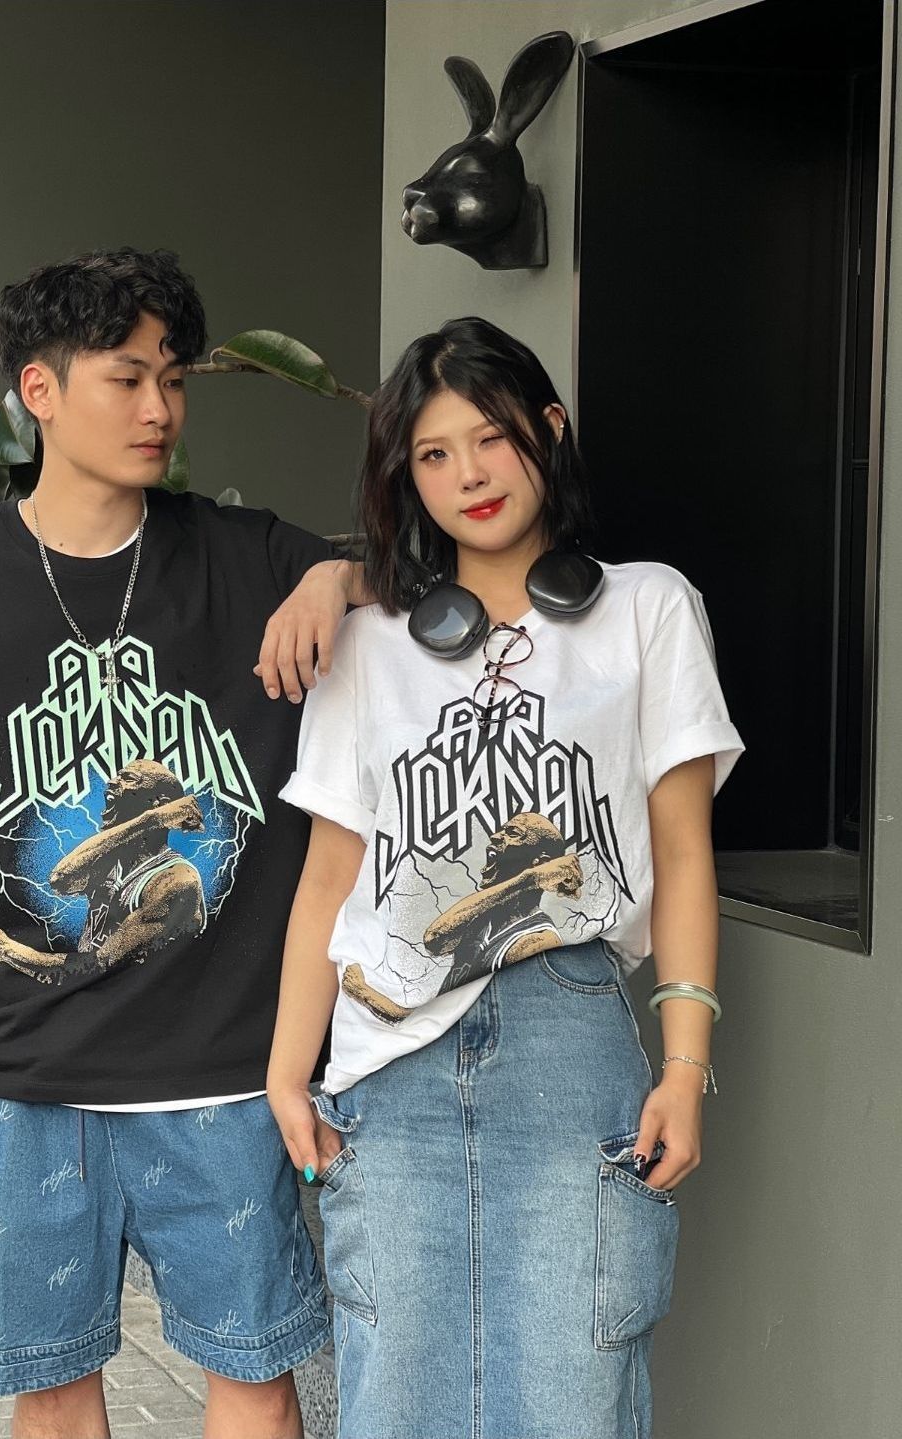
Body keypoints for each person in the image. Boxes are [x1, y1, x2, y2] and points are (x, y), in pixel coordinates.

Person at [0, 247, 364, 1439]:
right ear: (38, 390)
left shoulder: (249, 557)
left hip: (223, 1066)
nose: (159, 408)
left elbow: (430, 566)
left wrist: (336, 576)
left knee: (255, 1374)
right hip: (24, 1071)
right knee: (53, 1385)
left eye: (172, 379)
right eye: (126, 378)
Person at [267, 316, 745, 1439]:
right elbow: (331, 874)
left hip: (569, 1039)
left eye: (490, 438)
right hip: (391, 1061)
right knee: (397, 1398)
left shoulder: (648, 609)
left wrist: (686, 1065)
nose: (469, 474)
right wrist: (289, 1071)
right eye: (434, 454)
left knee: (573, 1394)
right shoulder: (367, 641)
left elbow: (683, 851)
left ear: (549, 429)